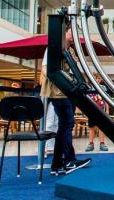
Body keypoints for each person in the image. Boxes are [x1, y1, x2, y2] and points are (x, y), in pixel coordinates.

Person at [40, 23, 91, 175]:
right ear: (65, 32)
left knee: (66, 124)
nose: (76, 35)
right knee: (66, 124)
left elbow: (75, 69)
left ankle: (62, 161)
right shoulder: (54, 48)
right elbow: (45, 68)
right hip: (58, 92)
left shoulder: (71, 50)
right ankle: (65, 160)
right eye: (73, 32)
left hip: (68, 92)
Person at [85, 74, 109, 152]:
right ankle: (91, 143)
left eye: (99, 78)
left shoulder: (103, 87)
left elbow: (106, 99)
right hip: (92, 110)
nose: (98, 80)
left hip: (101, 109)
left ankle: (102, 143)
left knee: (102, 127)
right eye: (97, 78)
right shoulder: (89, 87)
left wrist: (107, 110)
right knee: (92, 127)